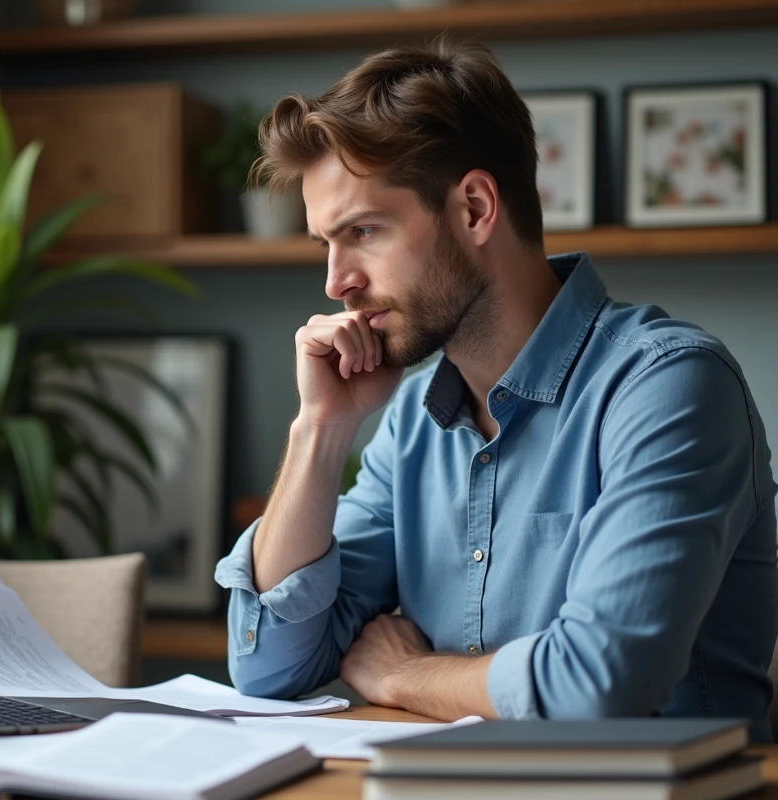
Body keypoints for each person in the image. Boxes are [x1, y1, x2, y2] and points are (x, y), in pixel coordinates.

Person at [213, 39, 778, 741]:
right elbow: (266, 666)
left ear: (476, 208)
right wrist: (320, 431)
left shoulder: (669, 389)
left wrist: (405, 676)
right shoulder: (411, 430)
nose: (336, 283)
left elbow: (597, 687)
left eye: (363, 231)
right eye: (325, 244)